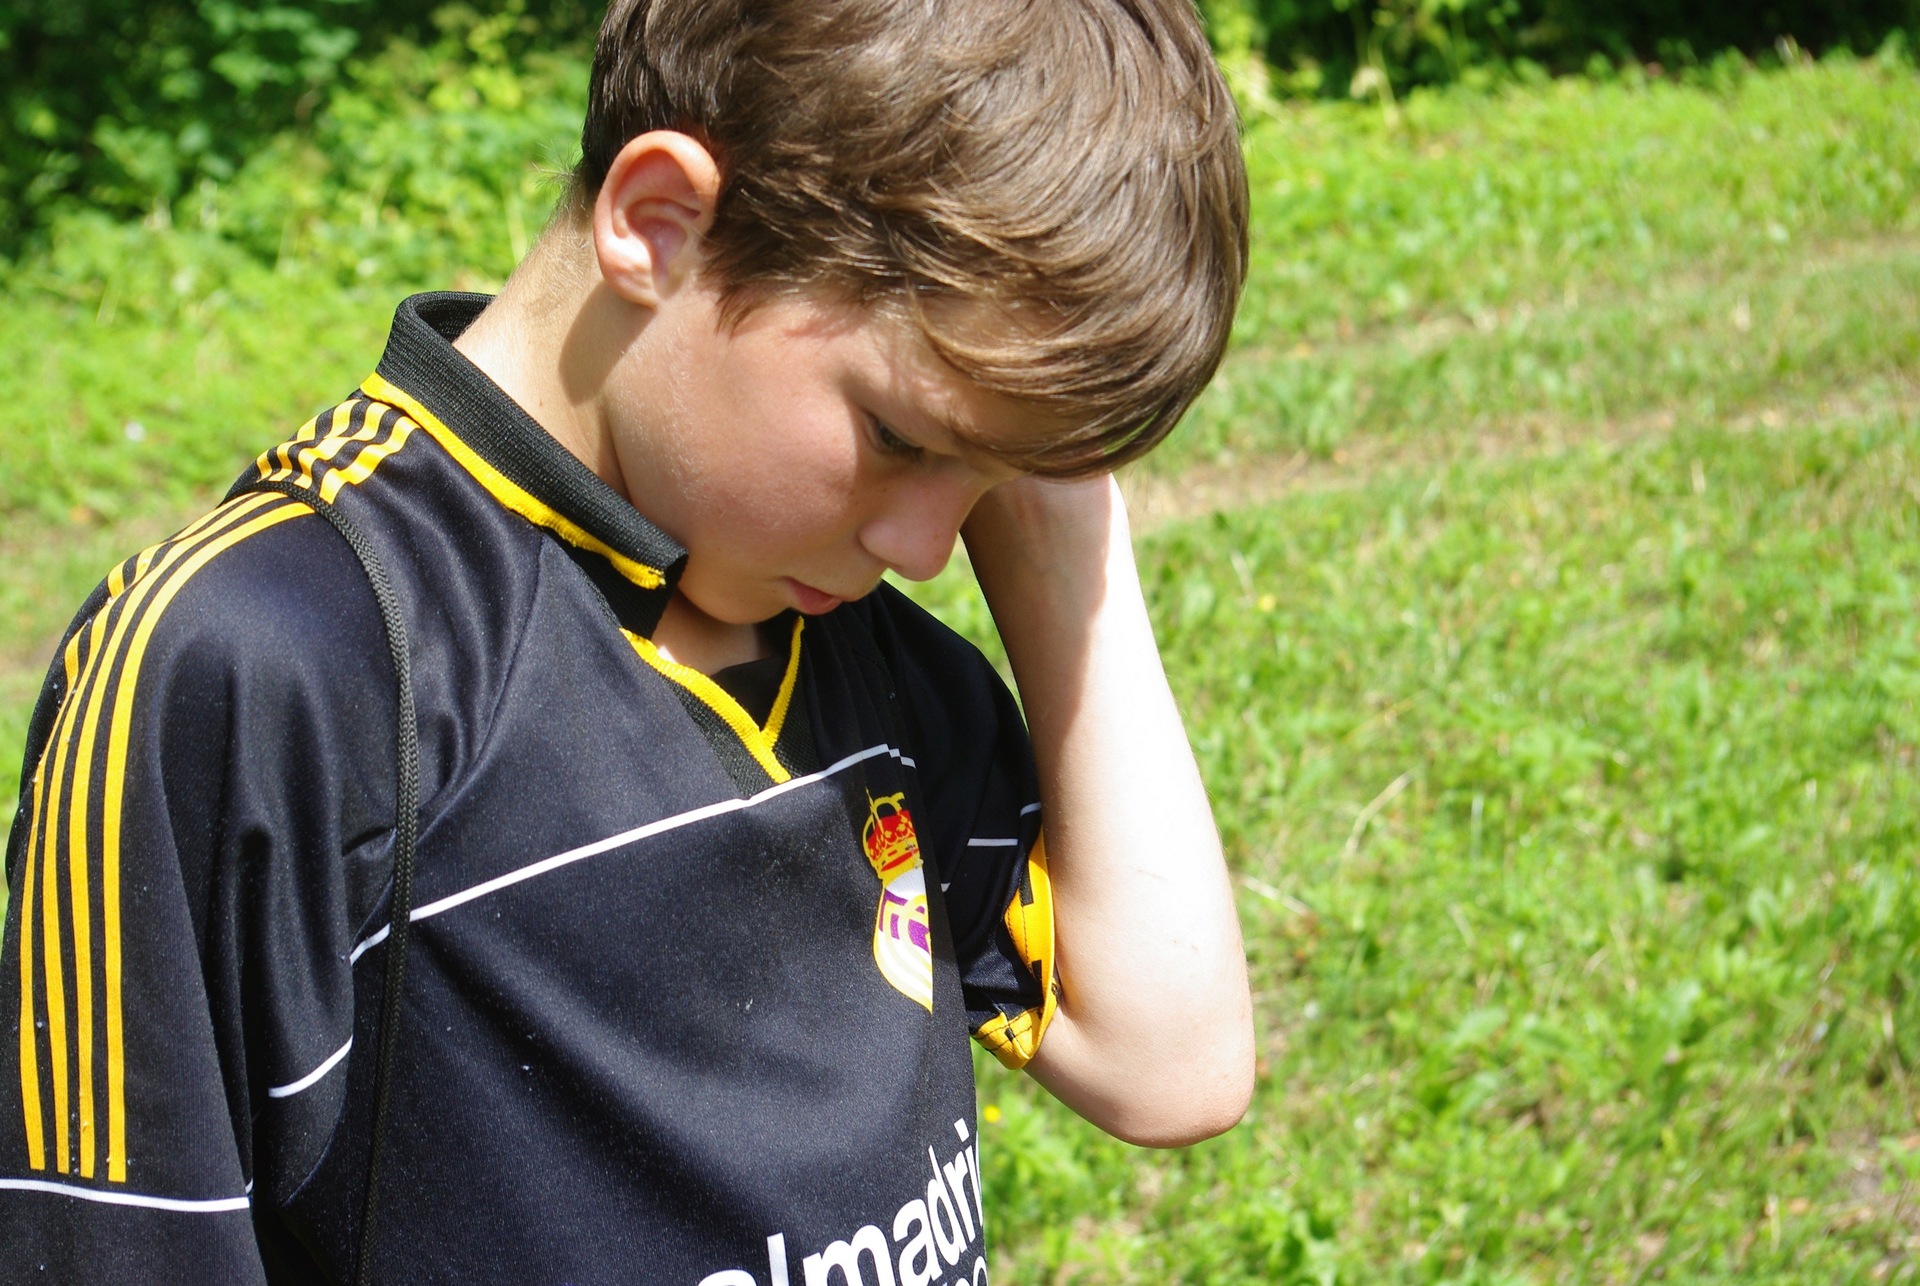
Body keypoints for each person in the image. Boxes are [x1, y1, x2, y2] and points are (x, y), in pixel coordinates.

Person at [0, 0, 1254, 1280]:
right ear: (657, 222)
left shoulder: (844, 643)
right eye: (901, 436)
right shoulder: (276, 660)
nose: (928, 547)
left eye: (990, 478)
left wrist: (1061, 535)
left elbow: (1171, 1062)